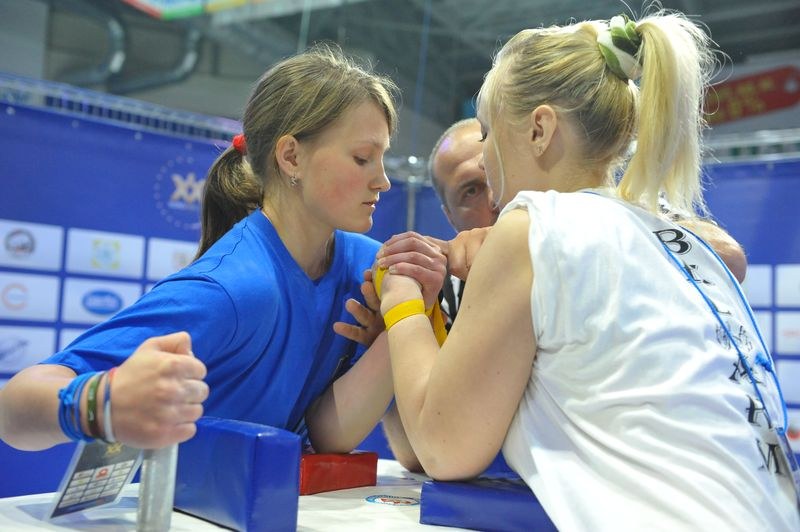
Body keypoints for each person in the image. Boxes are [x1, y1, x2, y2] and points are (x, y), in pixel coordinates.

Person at [375, 12, 800, 530]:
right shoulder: (672, 234)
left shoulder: (532, 226)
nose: (485, 157)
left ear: (539, 129)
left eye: (487, 132)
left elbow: (443, 447)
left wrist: (401, 301)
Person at [0, 44, 446, 454]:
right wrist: (105, 401)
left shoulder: (371, 269)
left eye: (383, 158)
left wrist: (397, 336)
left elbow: (331, 437)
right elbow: (15, 408)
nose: (383, 181)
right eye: (362, 158)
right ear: (291, 157)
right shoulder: (233, 289)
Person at [428, 117, 747, 328]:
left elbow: (727, 258)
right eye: (470, 191)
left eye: (498, 173)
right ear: (450, 217)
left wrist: (560, 240)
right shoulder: (446, 297)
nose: (495, 198)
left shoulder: (609, 205)